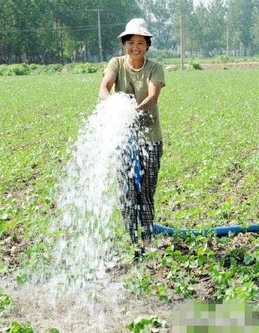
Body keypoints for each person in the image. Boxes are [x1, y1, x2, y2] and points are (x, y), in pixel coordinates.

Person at [99, 18, 165, 247]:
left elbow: (153, 96)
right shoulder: (116, 64)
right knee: (126, 192)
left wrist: (132, 111)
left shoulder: (154, 68)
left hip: (150, 139)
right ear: (124, 44)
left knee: (145, 193)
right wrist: (112, 106)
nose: (135, 47)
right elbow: (104, 88)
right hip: (124, 139)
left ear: (147, 45)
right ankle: (131, 239)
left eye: (140, 42)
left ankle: (147, 239)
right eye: (130, 42)